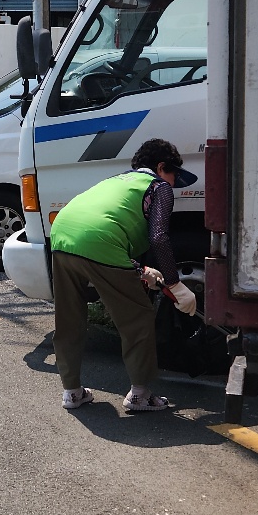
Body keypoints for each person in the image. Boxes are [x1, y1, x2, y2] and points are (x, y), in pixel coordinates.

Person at [49, 138, 199, 413]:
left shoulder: (116, 180)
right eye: (174, 175)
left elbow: (108, 225)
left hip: (61, 236)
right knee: (137, 319)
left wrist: (142, 270)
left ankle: (71, 392)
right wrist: (176, 284)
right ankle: (140, 395)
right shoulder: (158, 186)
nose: (174, 183)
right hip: (100, 242)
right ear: (161, 167)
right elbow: (159, 237)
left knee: (69, 318)